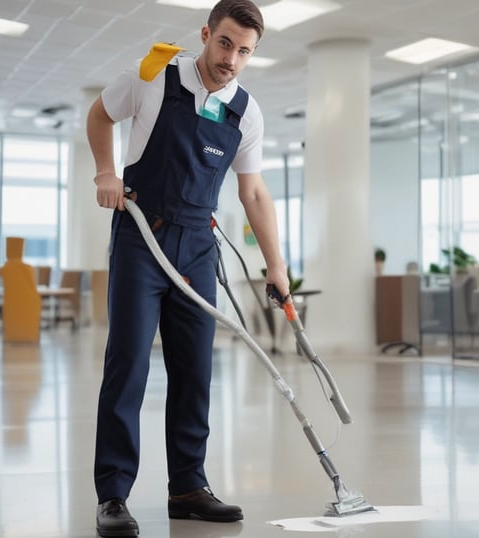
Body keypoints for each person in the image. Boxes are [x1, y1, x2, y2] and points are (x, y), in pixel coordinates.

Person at [86, 1, 290, 536]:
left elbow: (253, 192)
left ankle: (188, 487)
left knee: (196, 369)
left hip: (199, 244)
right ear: (206, 34)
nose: (232, 60)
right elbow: (99, 115)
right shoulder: (152, 77)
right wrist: (106, 171)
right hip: (140, 236)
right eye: (225, 44)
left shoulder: (247, 112)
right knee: (128, 365)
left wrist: (277, 266)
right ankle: (113, 494)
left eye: (244, 51)